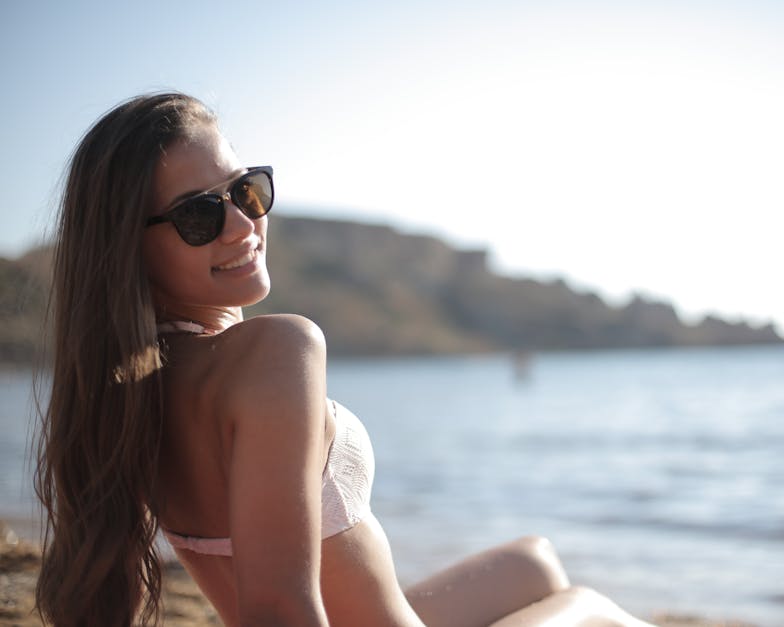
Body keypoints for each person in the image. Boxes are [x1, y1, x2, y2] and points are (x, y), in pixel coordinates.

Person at [35, 92, 654, 626]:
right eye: (198, 215)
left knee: (533, 560)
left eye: (245, 190)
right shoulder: (277, 352)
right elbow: (278, 610)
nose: (241, 225)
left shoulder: (127, 389)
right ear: (129, 247)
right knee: (591, 606)